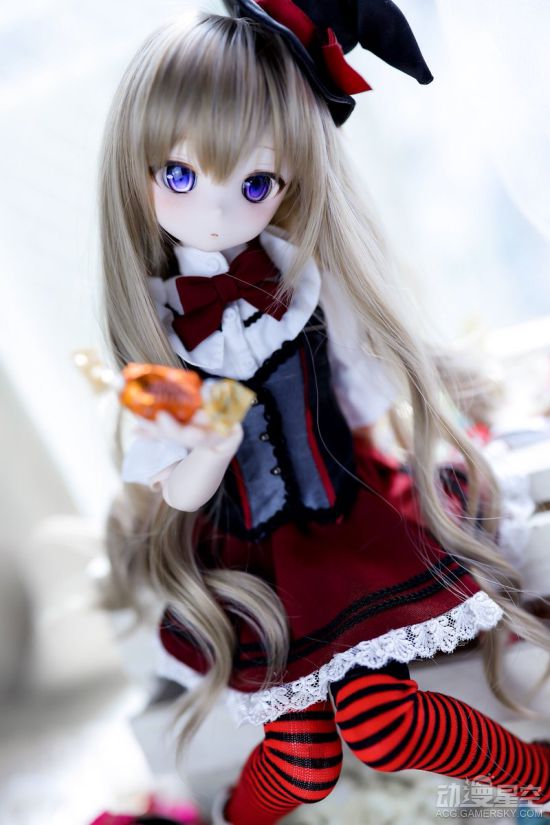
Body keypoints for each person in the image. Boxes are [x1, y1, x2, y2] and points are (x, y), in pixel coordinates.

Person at [98, 2, 550, 822]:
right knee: (301, 759)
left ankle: (539, 780)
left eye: (256, 184)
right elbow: (179, 488)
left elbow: (362, 392)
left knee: (385, 723)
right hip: (251, 555)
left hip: (351, 515)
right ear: (139, 171)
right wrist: (209, 447)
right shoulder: (160, 330)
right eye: (180, 176)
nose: (216, 213)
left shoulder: (305, 279)